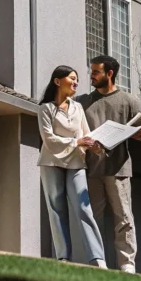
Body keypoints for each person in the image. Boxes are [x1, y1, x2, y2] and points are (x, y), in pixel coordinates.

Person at [76, 55, 141, 274]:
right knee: (91, 218)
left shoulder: (129, 100)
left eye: (96, 72)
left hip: (119, 168)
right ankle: (95, 261)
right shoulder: (83, 102)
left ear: (109, 74)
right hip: (90, 170)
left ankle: (127, 264)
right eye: (91, 71)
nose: (92, 75)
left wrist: (133, 132)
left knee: (124, 217)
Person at [37, 65, 107, 268]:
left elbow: (87, 135)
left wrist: (96, 147)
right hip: (51, 162)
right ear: (57, 81)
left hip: (76, 163)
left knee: (84, 209)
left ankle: (98, 258)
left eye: (77, 79)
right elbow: (49, 140)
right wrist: (77, 142)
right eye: (72, 78)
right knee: (57, 209)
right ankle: (63, 258)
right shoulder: (46, 109)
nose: (76, 82)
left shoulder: (78, 108)